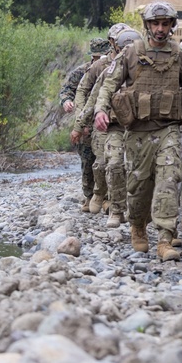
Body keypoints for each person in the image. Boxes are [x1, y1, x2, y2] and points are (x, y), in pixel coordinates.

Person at [94, 2, 182, 262]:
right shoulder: (131, 53)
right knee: (140, 187)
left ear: (171, 26)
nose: (160, 29)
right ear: (147, 25)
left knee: (169, 181)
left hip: (168, 130)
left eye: (165, 24)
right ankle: (138, 226)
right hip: (138, 133)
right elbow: (109, 84)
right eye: (155, 23)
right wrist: (100, 110)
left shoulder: (180, 56)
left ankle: (165, 238)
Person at [77, 29, 142, 229]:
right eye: (123, 49)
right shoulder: (108, 71)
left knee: (139, 170)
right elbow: (93, 98)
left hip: (141, 128)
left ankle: (139, 210)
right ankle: (116, 209)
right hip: (114, 127)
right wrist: (79, 126)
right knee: (113, 164)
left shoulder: (148, 71)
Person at [60, 37, 111, 212]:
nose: (98, 59)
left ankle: (105, 197)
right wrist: (66, 101)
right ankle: (89, 196)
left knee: (106, 159)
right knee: (87, 159)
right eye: (95, 56)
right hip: (85, 122)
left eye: (101, 56)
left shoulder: (114, 68)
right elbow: (68, 90)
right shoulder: (81, 71)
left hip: (105, 120)